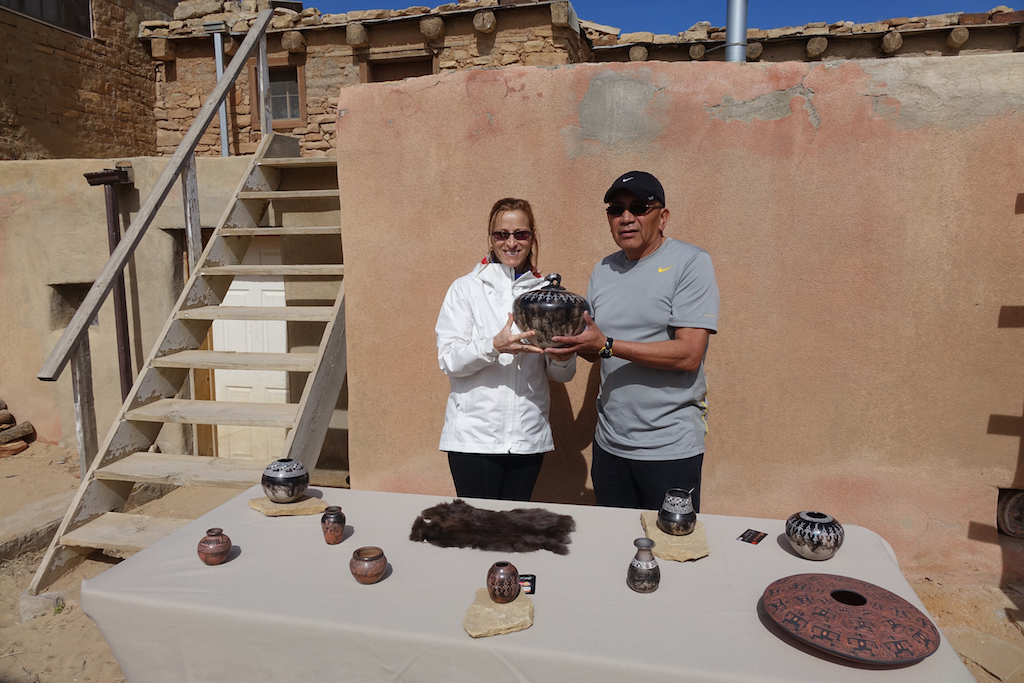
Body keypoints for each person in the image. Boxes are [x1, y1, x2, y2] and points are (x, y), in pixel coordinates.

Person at [550, 171, 719, 511]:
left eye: (640, 207)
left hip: (669, 449)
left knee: (670, 551)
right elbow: (594, 348)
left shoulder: (690, 263)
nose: (626, 218)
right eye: (616, 209)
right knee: (616, 550)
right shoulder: (603, 270)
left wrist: (608, 345)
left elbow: (688, 354)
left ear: (663, 217)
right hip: (610, 448)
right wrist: (560, 343)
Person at [436, 197, 577, 501]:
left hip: (527, 437)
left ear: (532, 237)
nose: (511, 243)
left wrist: (564, 357)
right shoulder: (466, 288)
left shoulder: (547, 295)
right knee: (478, 532)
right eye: (502, 234)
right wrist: (492, 346)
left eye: (520, 234)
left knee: (514, 532)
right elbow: (449, 360)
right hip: (474, 439)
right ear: (491, 237)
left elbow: (561, 376)